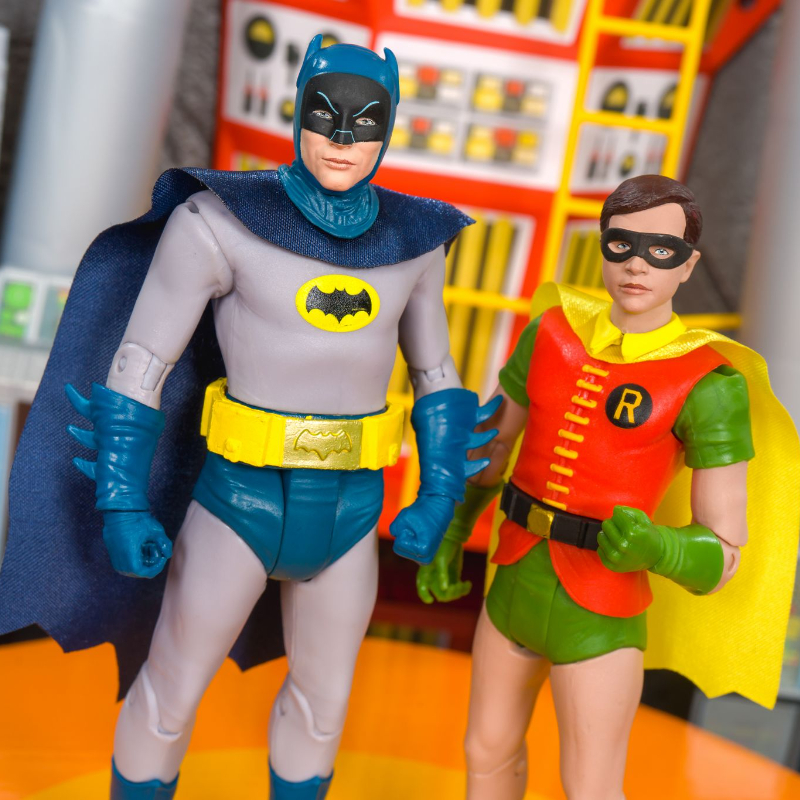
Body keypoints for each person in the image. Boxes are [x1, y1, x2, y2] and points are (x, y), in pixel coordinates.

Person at [0, 37, 496, 800]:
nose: (342, 136)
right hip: (237, 497)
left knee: (324, 706)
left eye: (366, 120)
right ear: (298, 110)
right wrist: (123, 499)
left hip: (352, 508)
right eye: (325, 113)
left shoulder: (415, 242)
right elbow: (142, 362)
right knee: (170, 689)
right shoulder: (219, 220)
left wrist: (437, 495)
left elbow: (437, 377)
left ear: (391, 124)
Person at [417, 175, 800, 800]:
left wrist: (660, 548)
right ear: (601, 245)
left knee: (590, 785)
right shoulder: (551, 332)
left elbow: (725, 553)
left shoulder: (709, 383)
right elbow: (492, 446)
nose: (637, 265)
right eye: (622, 244)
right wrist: (453, 530)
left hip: (602, 610)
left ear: (689, 265)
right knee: (484, 751)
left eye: (662, 251)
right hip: (513, 580)